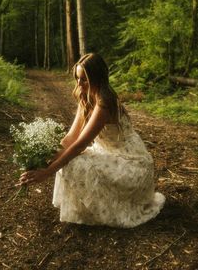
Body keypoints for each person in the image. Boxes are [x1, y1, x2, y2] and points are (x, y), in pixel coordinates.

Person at [18, 52, 165, 228]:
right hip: (109, 154)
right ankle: (87, 209)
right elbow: (70, 139)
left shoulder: (104, 103)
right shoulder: (86, 96)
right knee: (66, 158)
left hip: (130, 162)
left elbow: (78, 146)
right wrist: (42, 160)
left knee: (73, 162)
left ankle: (102, 212)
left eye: (84, 79)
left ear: (98, 78)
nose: (79, 84)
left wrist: (47, 173)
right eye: (78, 78)